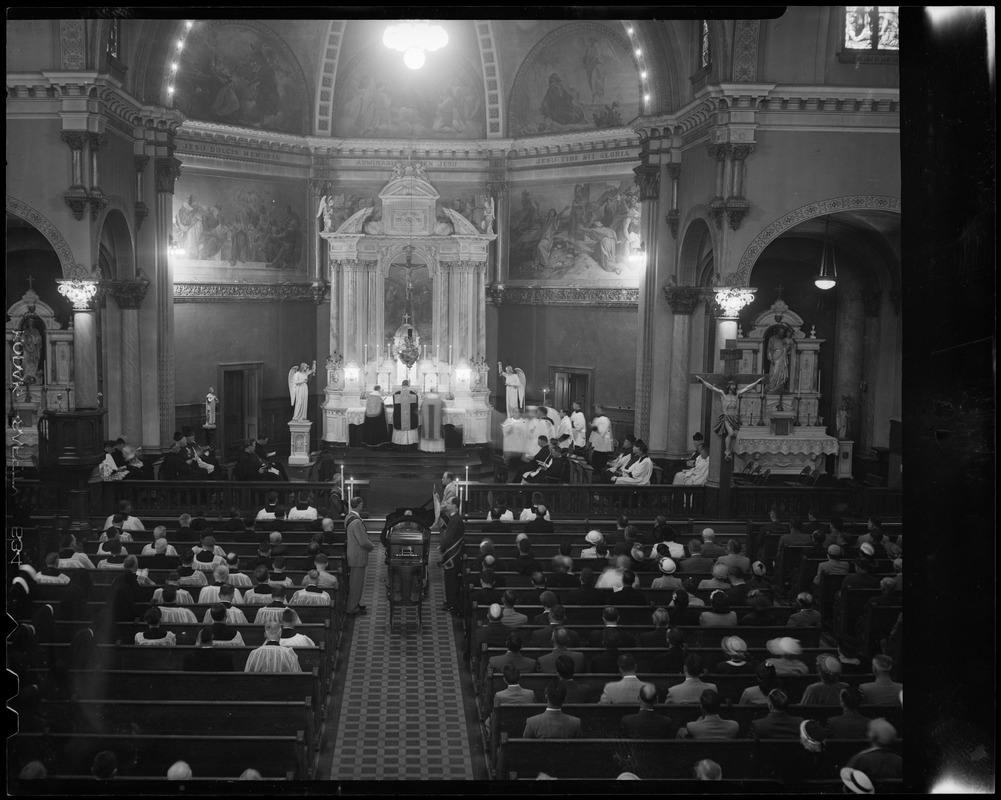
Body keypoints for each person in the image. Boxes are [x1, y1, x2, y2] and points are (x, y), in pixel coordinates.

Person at [696, 375, 765, 460]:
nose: (734, 386)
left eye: (734, 385)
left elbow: (747, 388)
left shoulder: (737, 394)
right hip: (727, 417)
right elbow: (711, 387)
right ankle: (727, 451)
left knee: (735, 435)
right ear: (728, 386)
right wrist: (702, 381)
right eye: (732, 385)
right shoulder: (723, 394)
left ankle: (731, 451)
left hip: (735, 418)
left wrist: (757, 381)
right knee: (731, 433)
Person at [344, 497, 373, 616]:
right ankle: (352, 607)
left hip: (353, 552)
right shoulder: (356, 522)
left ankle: (354, 603)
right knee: (356, 584)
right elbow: (363, 541)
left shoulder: (348, 517)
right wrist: (371, 546)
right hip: (357, 555)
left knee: (355, 582)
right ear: (360, 505)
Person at [439, 502, 465, 616]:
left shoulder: (455, 519)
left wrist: (442, 547)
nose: (446, 505)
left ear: (454, 505)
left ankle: (451, 604)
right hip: (452, 553)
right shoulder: (454, 518)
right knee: (450, 579)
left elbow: (449, 536)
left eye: (449, 503)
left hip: (452, 555)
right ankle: (450, 601)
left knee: (451, 580)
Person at [392, 380, 420, 448]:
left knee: (400, 424)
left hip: (400, 418)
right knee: (411, 425)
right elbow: (416, 407)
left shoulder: (396, 394)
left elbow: (395, 407)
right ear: (408, 385)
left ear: (402, 385)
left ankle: (400, 444)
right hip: (410, 418)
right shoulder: (413, 394)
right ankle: (411, 443)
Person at [765, 325, 794, 393]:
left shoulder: (783, 340)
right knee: (774, 373)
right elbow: (768, 350)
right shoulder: (772, 339)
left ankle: (779, 386)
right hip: (775, 358)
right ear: (777, 332)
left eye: (783, 332)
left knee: (782, 373)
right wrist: (771, 359)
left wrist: (787, 348)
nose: (782, 334)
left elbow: (787, 350)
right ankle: (771, 387)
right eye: (781, 332)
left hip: (782, 358)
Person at [587, 404, 614, 472]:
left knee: (599, 464)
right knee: (594, 462)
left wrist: (593, 427)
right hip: (597, 445)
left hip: (602, 446)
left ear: (600, 409)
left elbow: (602, 431)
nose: (595, 411)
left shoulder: (605, 419)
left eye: (596, 409)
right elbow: (594, 432)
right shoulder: (597, 419)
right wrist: (590, 442)